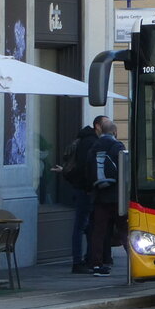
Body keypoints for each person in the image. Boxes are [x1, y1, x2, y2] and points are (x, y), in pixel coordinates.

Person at [52, 116, 108, 273]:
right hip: (85, 190)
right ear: (97, 126)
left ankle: (88, 259)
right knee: (82, 225)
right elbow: (85, 167)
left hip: (84, 188)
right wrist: (90, 185)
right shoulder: (89, 142)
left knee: (88, 225)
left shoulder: (88, 139)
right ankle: (78, 261)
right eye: (106, 123)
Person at [86, 118, 127, 276]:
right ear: (115, 132)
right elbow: (125, 171)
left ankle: (96, 264)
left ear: (100, 131)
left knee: (99, 231)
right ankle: (136, 262)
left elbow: (89, 172)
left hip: (99, 196)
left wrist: (93, 188)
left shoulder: (94, 147)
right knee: (125, 230)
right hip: (117, 197)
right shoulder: (118, 147)